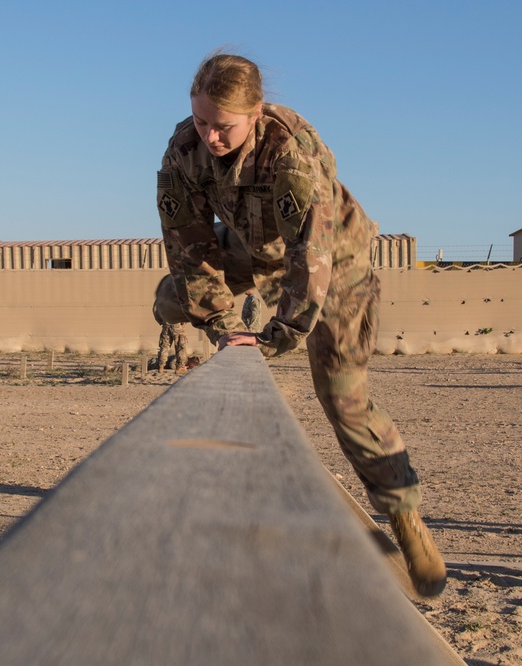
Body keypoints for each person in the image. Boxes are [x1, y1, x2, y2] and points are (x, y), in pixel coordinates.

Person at [156, 52, 446, 597]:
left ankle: (405, 517)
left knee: (342, 398)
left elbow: (311, 258)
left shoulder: (291, 152)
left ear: (256, 112)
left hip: (336, 265)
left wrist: (273, 338)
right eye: (201, 122)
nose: (212, 136)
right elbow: (188, 249)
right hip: (256, 252)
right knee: (171, 295)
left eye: (225, 126)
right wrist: (223, 326)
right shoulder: (183, 150)